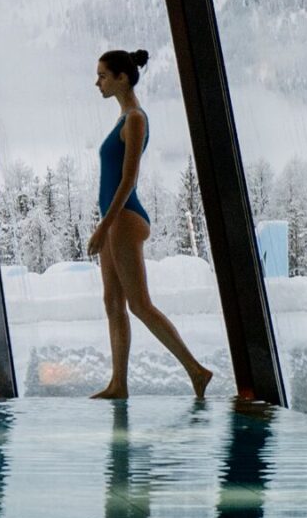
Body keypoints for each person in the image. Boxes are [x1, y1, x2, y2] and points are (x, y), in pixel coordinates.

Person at [87, 48, 214, 400]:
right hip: (115, 220)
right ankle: (118, 384)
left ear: (121, 78)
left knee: (139, 304)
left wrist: (103, 227)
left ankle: (196, 370)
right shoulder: (123, 118)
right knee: (112, 302)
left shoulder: (135, 120)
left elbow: (128, 180)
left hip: (125, 218)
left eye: (102, 75)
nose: (97, 82)